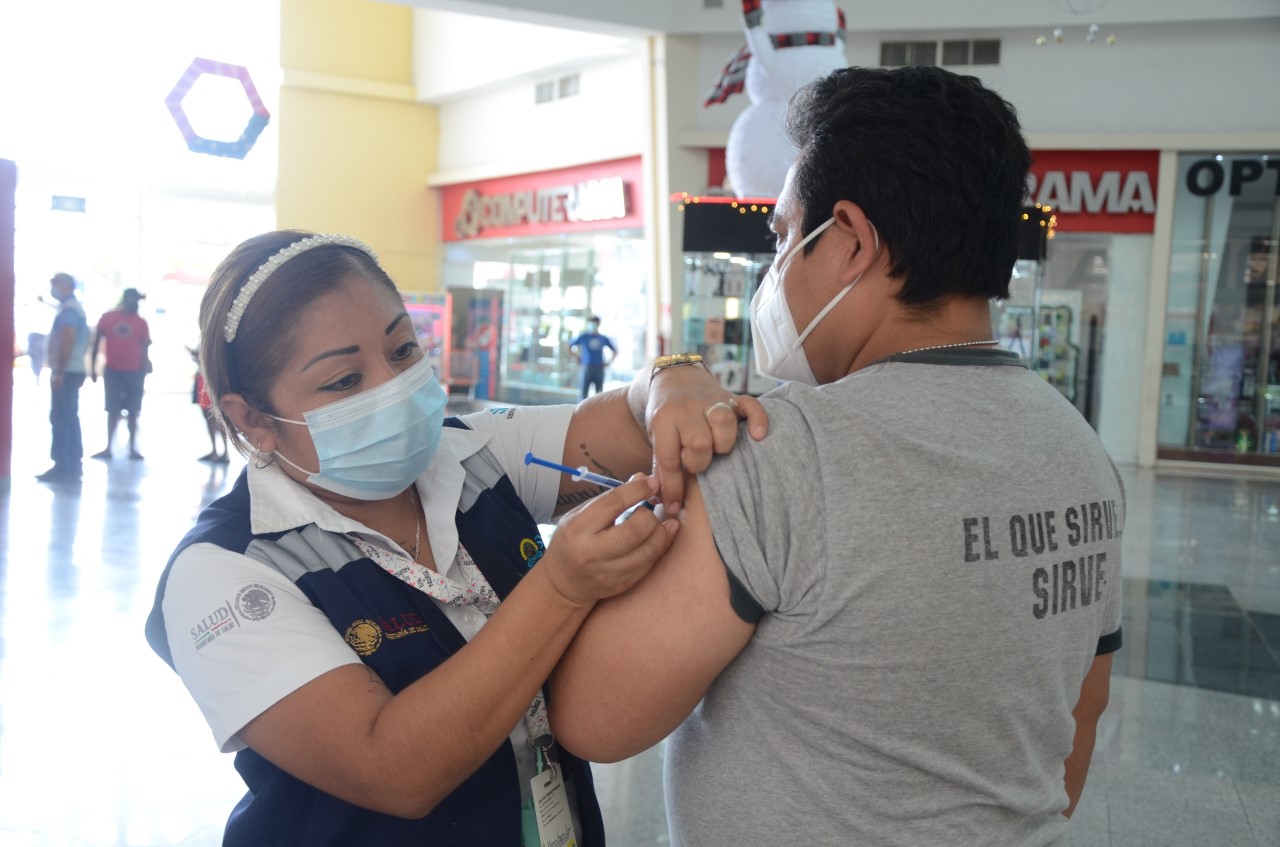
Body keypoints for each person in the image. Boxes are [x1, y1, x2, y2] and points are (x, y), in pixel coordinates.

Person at [550, 66, 1124, 846]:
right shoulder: (1081, 453)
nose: (776, 269)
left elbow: (592, 715)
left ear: (850, 241)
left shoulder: (776, 453)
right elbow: (1076, 732)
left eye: (785, 236)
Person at [143, 230, 765, 846]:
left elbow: (632, 425)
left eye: (403, 349)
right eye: (343, 381)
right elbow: (391, 771)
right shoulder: (226, 571)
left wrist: (674, 381)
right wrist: (562, 589)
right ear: (252, 418)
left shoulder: (468, 453)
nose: (391, 386)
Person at [36, 272, 90, 483]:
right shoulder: (71, 307)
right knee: (69, 416)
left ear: (64, 285)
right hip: (71, 369)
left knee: (62, 417)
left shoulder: (69, 310)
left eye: (54, 284)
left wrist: (58, 370)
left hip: (66, 371)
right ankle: (71, 464)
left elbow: (67, 339)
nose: (52, 288)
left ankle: (63, 465)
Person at [89, 287, 151, 460]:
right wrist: (93, 367)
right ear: (127, 299)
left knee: (133, 411)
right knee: (113, 410)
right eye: (134, 299)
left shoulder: (141, 322)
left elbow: (144, 348)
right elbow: (96, 342)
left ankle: (132, 449)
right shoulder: (109, 317)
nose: (136, 303)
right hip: (113, 371)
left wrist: (144, 371)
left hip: (134, 371)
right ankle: (109, 447)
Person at [188, 343, 229, 463]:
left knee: (218, 419)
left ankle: (225, 452)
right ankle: (214, 450)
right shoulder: (201, 340)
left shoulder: (214, 340)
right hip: (202, 378)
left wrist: (198, 355)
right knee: (207, 418)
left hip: (211, 380)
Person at [568, 315, 616, 399]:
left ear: (599, 324)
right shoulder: (584, 336)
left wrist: (608, 362)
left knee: (599, 394)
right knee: (583, 393)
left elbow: (614, 351)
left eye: (596, 323)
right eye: (592, 323)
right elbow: (570, 346)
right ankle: (582, 411)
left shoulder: (603, 338)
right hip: (586, 367)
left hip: (599, 368)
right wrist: (576, 358)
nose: (594, 325)